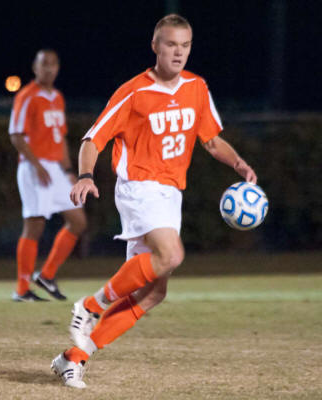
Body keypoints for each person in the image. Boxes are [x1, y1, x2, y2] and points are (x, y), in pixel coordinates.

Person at [50, 14, 257, 388]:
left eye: (185, 45)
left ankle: (74, 358)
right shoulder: (134, 92)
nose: (179, 52)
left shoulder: (197, 87)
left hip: (170, 194)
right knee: (171, 255)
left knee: (153, 293)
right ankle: (89, 306)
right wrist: (85, 175)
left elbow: (211, 141)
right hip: (139, 187)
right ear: (155, 46)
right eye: (171, 44)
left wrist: (238, 163)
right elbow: (93, 139)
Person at [8, 49, 88, 302]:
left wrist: (69, 172)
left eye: (53, 64)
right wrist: (36, 165)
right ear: (35, 67)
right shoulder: (27, 95)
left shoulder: (57, 97)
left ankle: (46, 275)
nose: (49, 69)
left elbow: (60, 138)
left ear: (58, 67)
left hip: (55, 168)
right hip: (34, 166)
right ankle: (22, 289)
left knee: (78, 221)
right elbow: (16, 135)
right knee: (35, 224)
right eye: (44, 64)